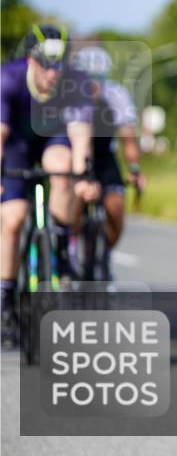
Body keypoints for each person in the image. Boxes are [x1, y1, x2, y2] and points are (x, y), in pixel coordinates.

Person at [0, 25, 100, 347]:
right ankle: (5, 300)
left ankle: (58, 239)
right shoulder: (9, 79)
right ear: (31, 61)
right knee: (13, 218)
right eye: (47, 65)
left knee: (62, 167)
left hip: (51, 139)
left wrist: (82, 175)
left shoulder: (76, 82)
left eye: (60, 65)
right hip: (15, 144)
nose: (54, 74)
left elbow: (80, 133)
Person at [71, 45, 146, 277]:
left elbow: (129, 138)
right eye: (89, 78)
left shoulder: (116, 95)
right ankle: (71, 247)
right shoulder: (70, 96)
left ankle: (104, 256)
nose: (94, 83)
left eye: (99, 78)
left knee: (116, 207)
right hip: (76, 153)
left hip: (104, 156)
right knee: (75, 198)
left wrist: (134, 169)